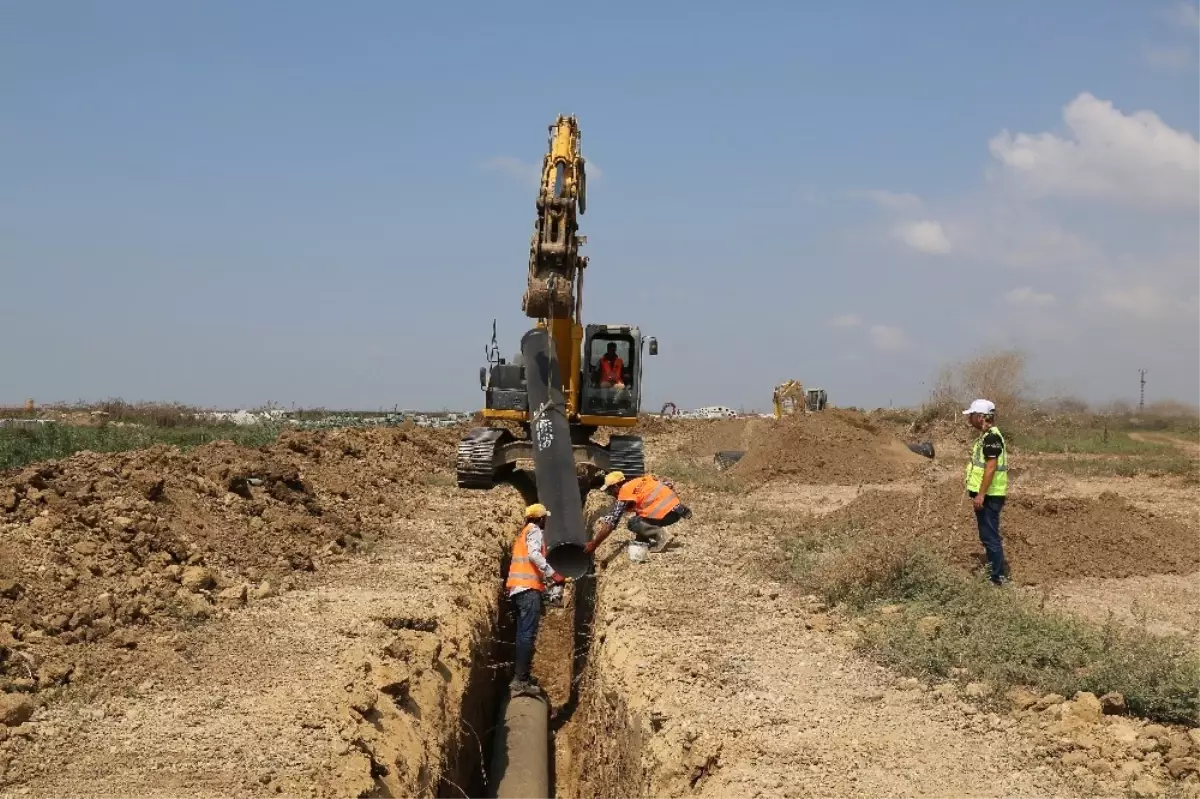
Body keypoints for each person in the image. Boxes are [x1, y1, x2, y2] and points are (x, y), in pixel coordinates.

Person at [506, 503, 566, 696]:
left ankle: (521, 676)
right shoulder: (534, 531)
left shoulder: (523, 532)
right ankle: (520, 680)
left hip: (517, 589)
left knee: (522, 634)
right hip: (527, 590)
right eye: (545, 518)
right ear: (540, 519)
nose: (546, 521)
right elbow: (534, 555)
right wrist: (552, 573)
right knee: (527, 635)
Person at [585, 471, 691, 555]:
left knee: (633, 523)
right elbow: (667, 485)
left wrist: (594, 544)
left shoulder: (624, 492)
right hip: (676, 511)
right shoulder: (642, 480)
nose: (611, 494)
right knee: (640, 517)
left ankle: (661, 536)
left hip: (665, 513)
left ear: (617, 486)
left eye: (611, 490)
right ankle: (644, 541)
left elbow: (611, 524)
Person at [963, 398, 1010, 585]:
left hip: (990, 496)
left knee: (990, 536)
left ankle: (997, 577)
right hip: (986, 494)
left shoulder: (992, 438)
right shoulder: (986, 436)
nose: (969, 420)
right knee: (987, 535)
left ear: (981, 417)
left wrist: (981, 494)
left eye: (972, 416)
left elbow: (990, 468)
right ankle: (995, 574)